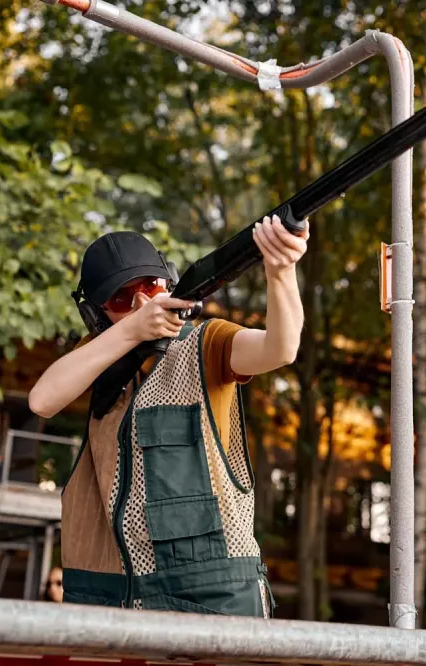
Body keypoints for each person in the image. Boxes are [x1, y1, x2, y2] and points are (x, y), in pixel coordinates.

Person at [29, 214, 308, 618]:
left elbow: (280, 349)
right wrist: (131, 332)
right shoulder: (98, 355)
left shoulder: (206, 343)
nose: (143, 303)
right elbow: (42, 400)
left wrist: (280, 272)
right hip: (109, 599)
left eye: (150, 287)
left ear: (170, 284)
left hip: (210, 598)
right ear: (97, 316)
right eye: (122, 300)